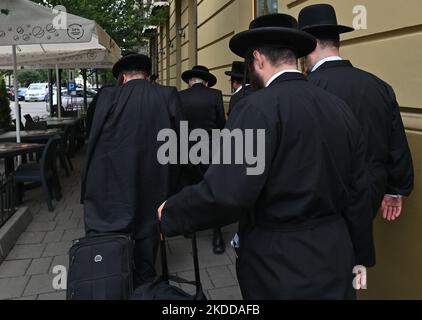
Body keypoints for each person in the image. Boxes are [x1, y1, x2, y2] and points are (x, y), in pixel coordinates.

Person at [157, 13, 375, 299]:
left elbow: (227, 193)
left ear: (257, 58)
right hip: (335, 253)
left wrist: (171, 211)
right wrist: (360, 254)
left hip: (279, 262)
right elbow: (360, 190)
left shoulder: (256, 109)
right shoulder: (339, 107)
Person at [298, 4, 414, 220]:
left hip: (322, 193)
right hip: (371, 190)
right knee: (361, 247)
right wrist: (395, 189)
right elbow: (396, 141)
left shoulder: (304, 89)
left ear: (310, 45)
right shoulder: (379, 86)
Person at [82, 53, 184, 288]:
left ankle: (115, 276)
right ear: (147, 76)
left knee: (114, 226)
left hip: (113, 177)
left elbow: (93, 135)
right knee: (149, 224)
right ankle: (145, 280)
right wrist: (175, 181)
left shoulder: (108, 96)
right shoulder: (167, 94)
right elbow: (181, 140)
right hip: (156, 176)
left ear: (124, 77)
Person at [178, 65, 227, 254]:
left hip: (188, 150)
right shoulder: (215, 94)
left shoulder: (180, 96)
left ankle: (190, 228)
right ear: (206, 82)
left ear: (191, 81)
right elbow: (221, 124)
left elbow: (177, 124)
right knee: (214, 191)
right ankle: (217, 236)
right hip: (210, 149)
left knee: (190, 188)